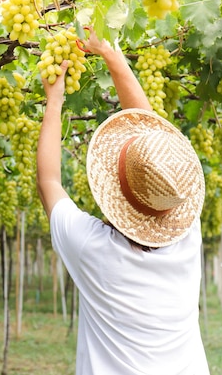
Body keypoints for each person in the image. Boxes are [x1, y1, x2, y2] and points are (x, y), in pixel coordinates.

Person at [36, 27, 210, 375]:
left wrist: (54, 99)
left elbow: (49, 180)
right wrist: (114, 58)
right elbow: (152, 146)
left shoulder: (93, 248)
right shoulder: (187, 238)